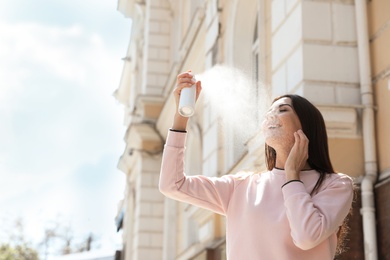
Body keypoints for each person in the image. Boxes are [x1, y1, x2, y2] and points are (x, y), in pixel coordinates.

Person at [159, 71, 354, 260]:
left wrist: (292, 175)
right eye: (269, 111)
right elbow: (172, 184)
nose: (271, 116)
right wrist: (180, 117)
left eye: (282, 110)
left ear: (306, 125)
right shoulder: (242, 186)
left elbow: (306, 237)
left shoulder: (336, 185)